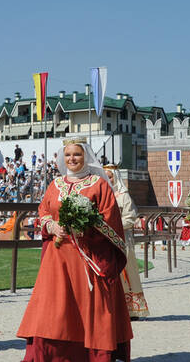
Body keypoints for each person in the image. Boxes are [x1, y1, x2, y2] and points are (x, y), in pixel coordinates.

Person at [17, 137, 132, 361]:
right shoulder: (55, 185)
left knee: (85, 306)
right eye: (68, 155)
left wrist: (85, 227)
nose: (72, 159)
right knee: (54, 308)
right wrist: (52, 225)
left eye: (77, 154)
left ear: (85, 156)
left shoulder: (98, 185)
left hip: (87, 257)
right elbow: (44, 211)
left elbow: (110, 219)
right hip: (58, 258)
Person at [104, 164, 150, 320]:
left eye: (109, 177)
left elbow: (130, 218)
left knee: (126, 271)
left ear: (115, 177)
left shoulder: (123, 196)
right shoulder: (102, 195)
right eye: (105, 177)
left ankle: (132, 309)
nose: (107, 180)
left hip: (122, 238)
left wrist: (113, 227)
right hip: (106, 239)